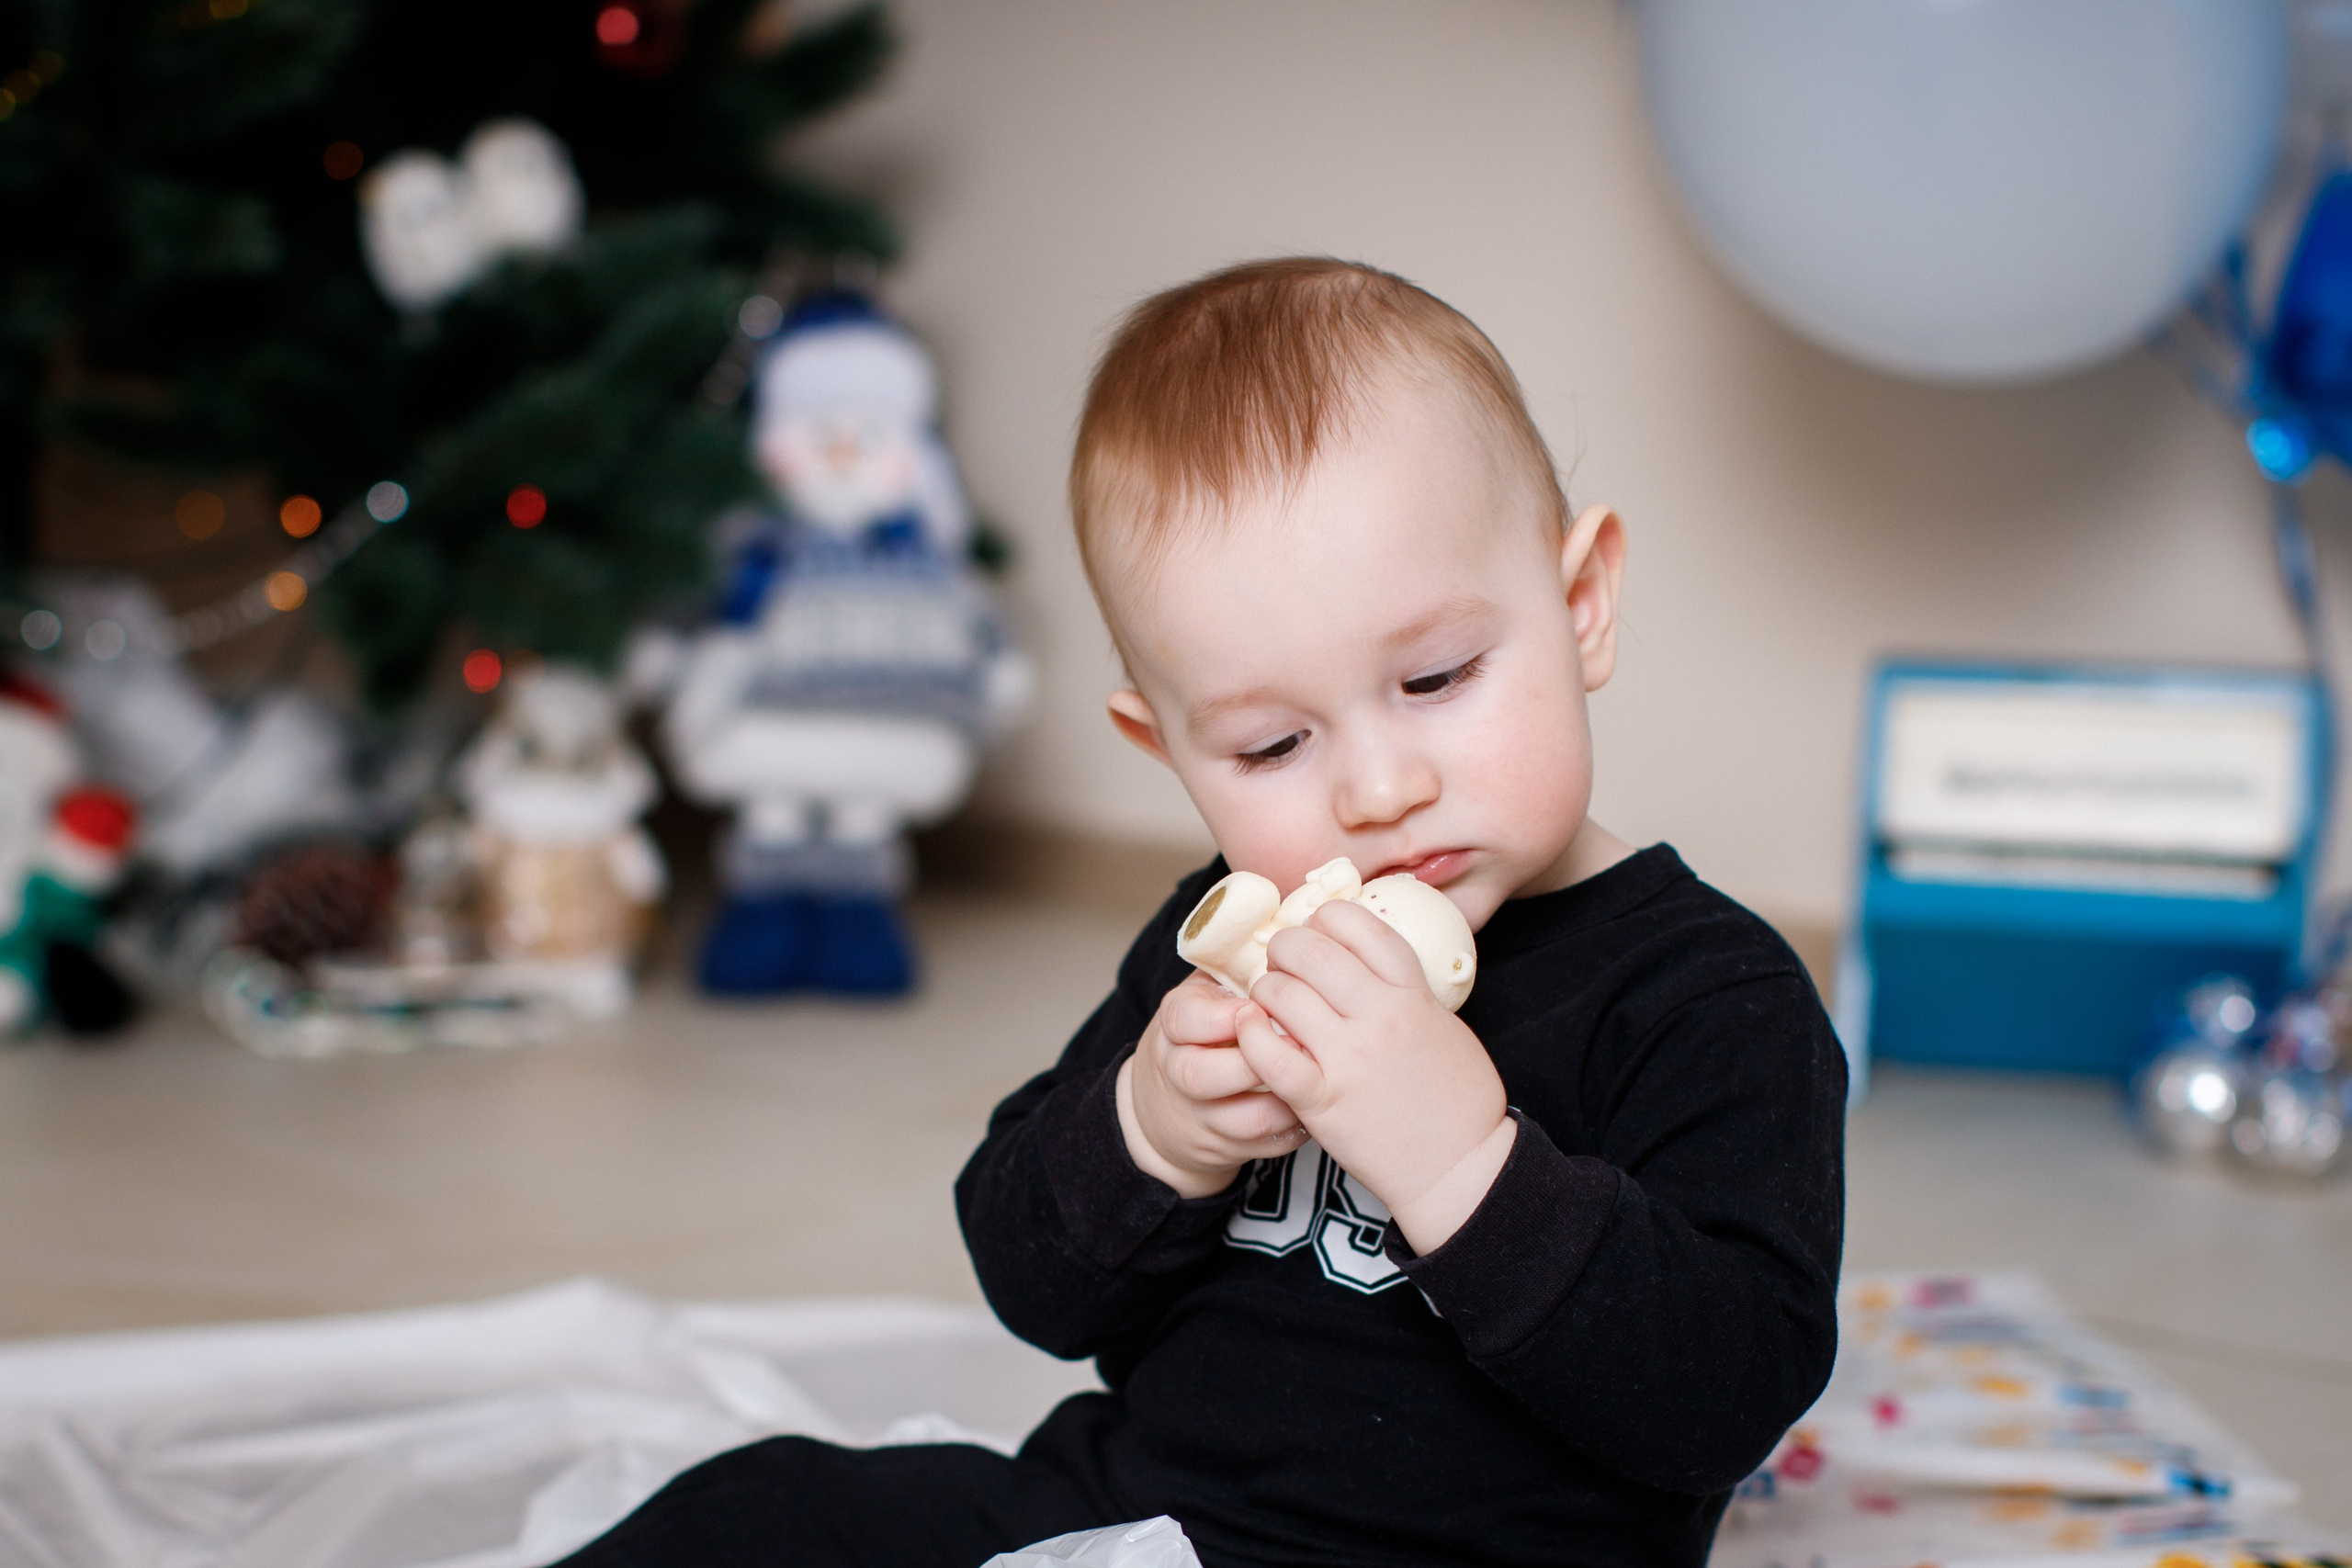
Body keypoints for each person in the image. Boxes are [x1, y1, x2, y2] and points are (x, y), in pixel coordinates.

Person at [560, 258, 1846, 1567]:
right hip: (1137, 1522)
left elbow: (1725, 1400)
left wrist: (1463, 1167)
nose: (1381, 789)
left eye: (1438, 676)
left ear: (1579, 608)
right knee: (774, 1510)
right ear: (1166, 746)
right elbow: (1031, 1282)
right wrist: (1151, 1130)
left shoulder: (1710, 996)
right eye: (1273, 745)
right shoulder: (1222, 934)